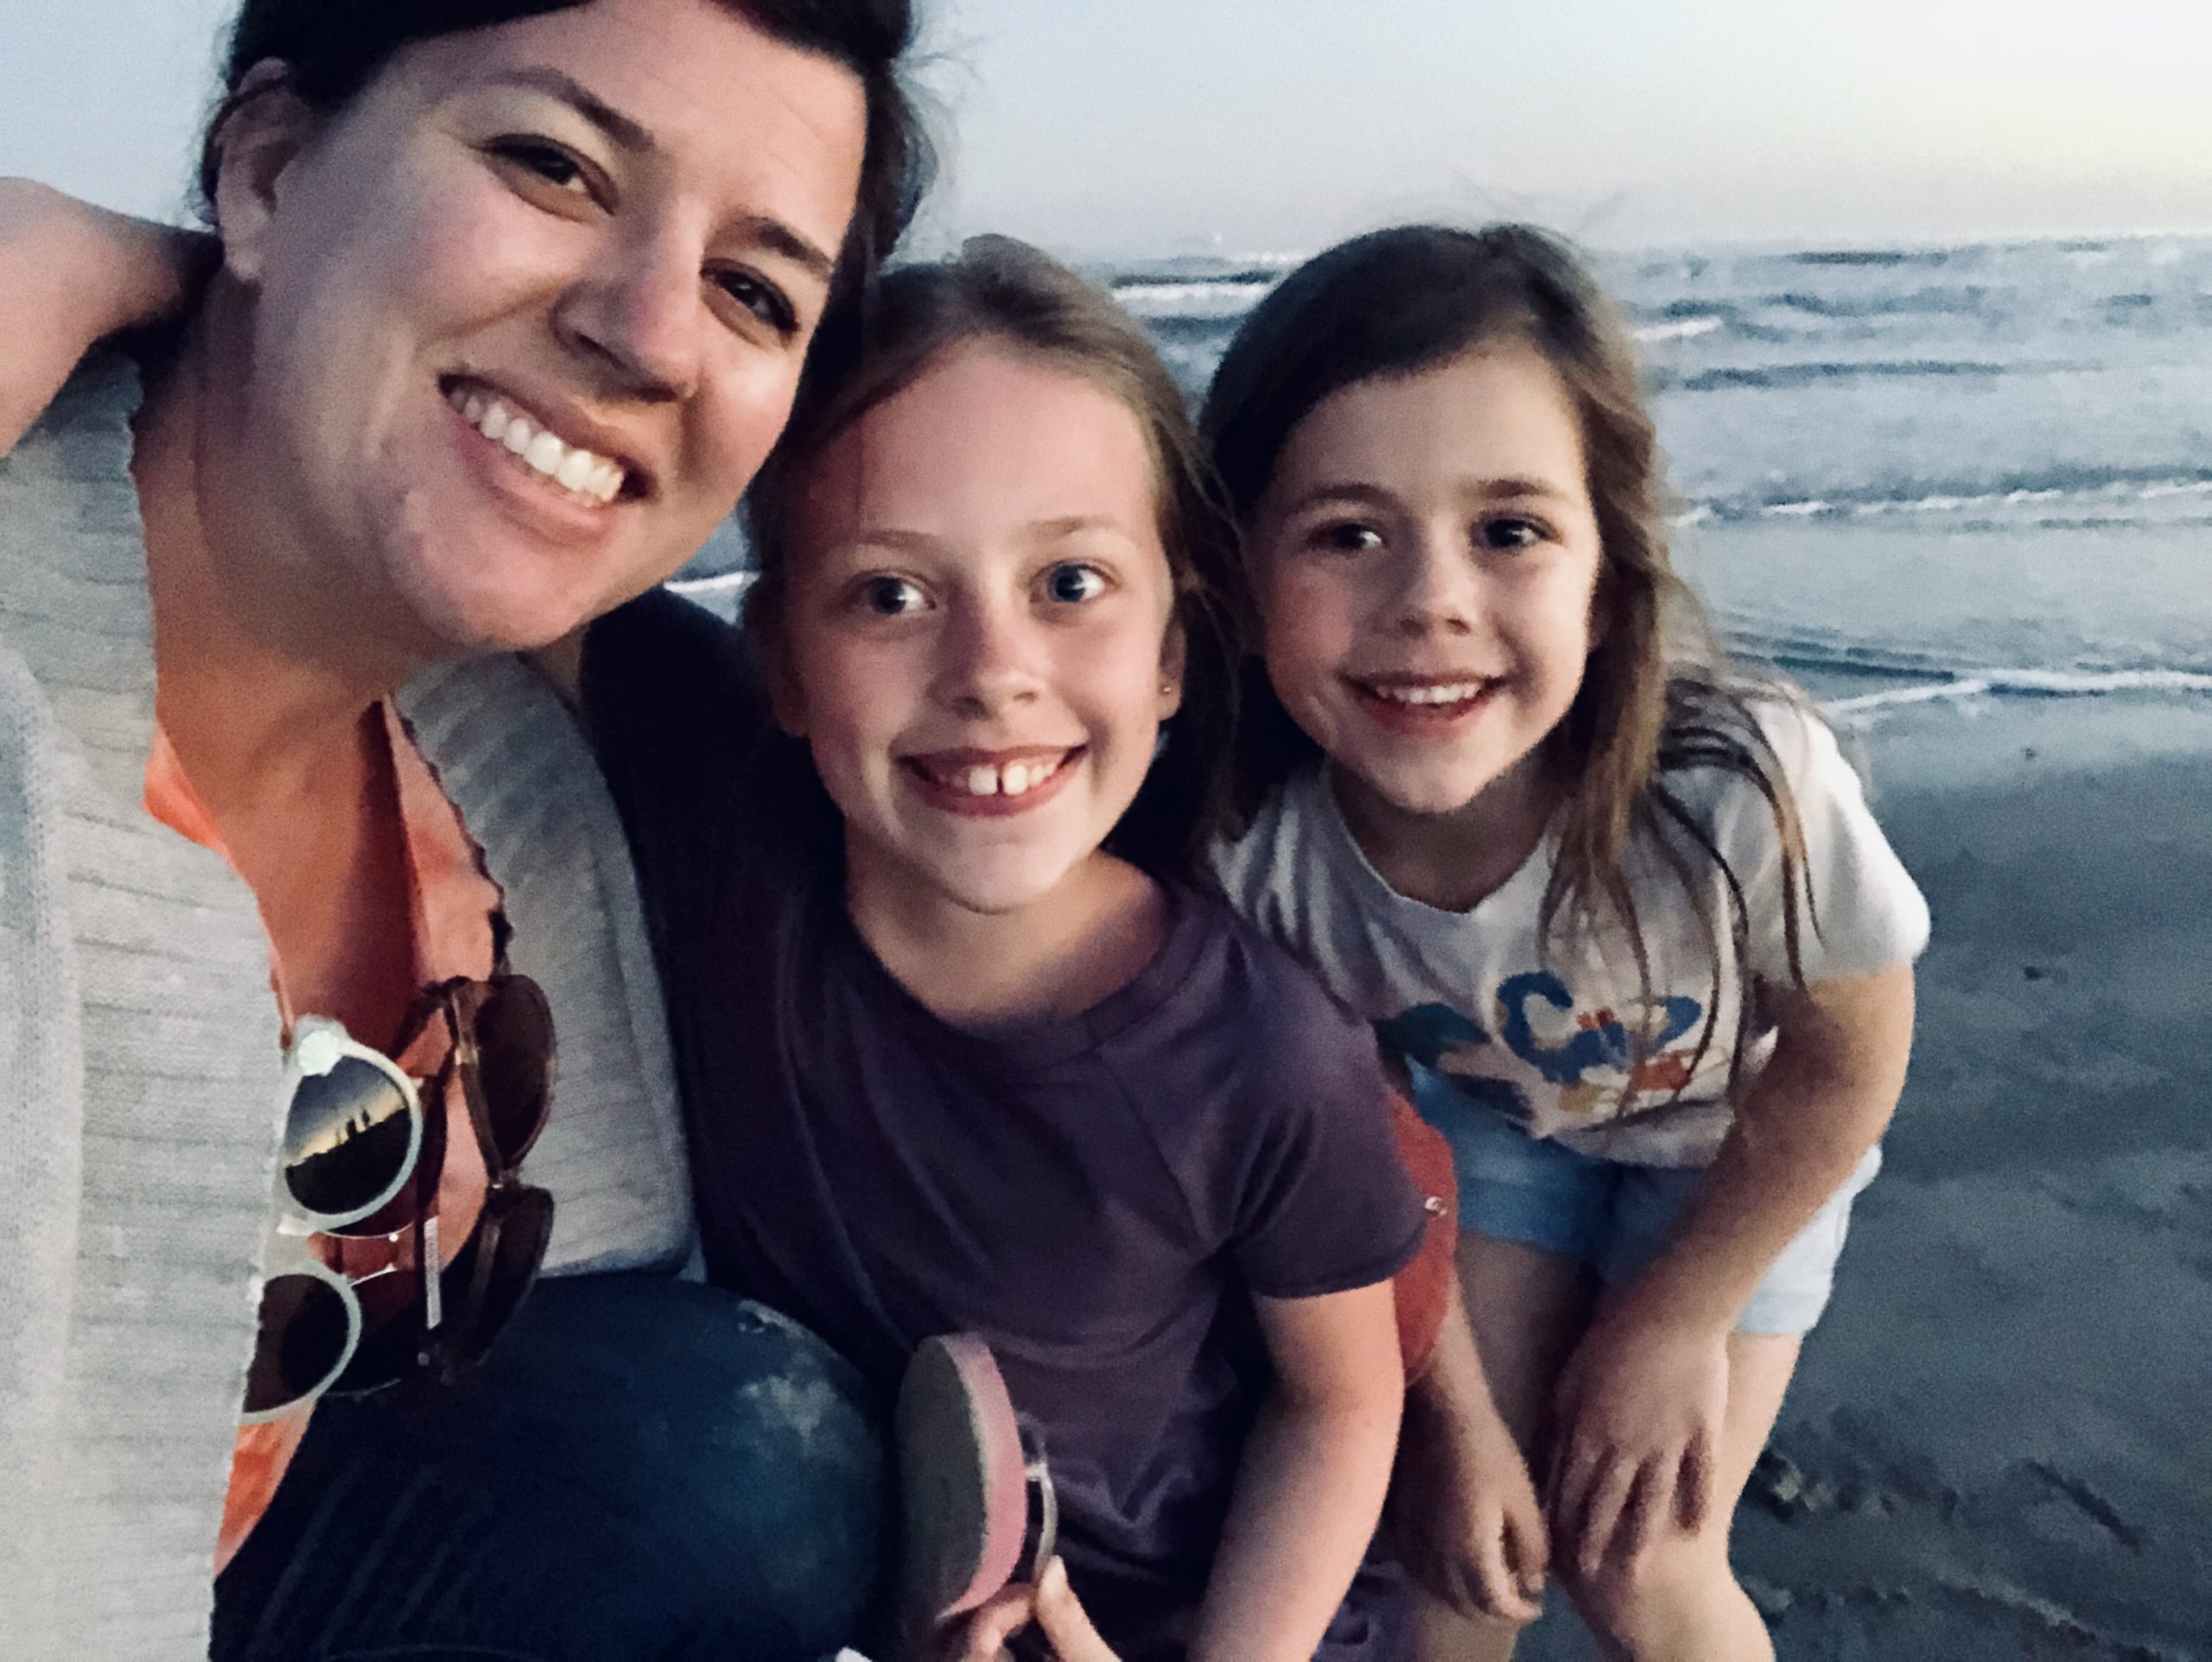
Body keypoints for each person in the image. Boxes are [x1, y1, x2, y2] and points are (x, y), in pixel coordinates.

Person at [0, 0, 931, 1656]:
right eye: (553, 165)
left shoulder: (514, 795)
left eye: (752, 290)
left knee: (729, 1441)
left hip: (242, 1564)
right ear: (272, 170)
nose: (650, 335)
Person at [582, 236, 1427, 1662]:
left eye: (1072, 583)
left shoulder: (1264, 1058)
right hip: (837, 1573)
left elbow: (1339, 1400)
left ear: (1172, 653)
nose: (991, 670)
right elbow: (486, 519)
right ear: (782, 659)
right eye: (890, 595)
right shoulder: (727, 817)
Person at [1200, 225, 1929, 1662]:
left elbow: (1849, 1063)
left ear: (1609, 564)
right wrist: (1455, 1419)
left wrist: (1669, 1328)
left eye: (1511, 530)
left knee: (1643, 1562)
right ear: (1234, 569)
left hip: (1737, 1149)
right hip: (1477, 1136)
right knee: (1464, 1562)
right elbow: (1367, 1147)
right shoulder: (1253, 849)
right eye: (1347, 533)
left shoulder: (1737, 791)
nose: (1432, 603)